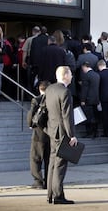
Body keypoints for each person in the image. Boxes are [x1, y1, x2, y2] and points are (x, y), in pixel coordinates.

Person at [45, 66, 78, 204]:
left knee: (52, 164)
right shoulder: (65, 92)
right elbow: (66, 116)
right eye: (70, 74)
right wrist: (72, 135)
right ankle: (58, 196)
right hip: (62, 132)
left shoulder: (49, 89)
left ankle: (50, 194)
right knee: (60, 164)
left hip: (52, 130)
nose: (71, 76)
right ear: (65, 76)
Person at [27, 81, 50, 189]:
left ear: (40, 89)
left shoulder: (36, 100)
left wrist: (30, 124)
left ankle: (38, 181)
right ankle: (49, 180)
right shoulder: (53, 100)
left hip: (38, 133)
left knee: (35, 158)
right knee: (49, 159)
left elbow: (31, 114)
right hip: (50, 133)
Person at [80, 61, 100, 138]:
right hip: (96, 99)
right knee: (95, 116)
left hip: (88, 99)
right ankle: (95, 132)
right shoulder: (97, 75)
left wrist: (82, 100)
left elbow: (84, 89)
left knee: (88, 116)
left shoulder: (86, 76)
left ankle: (89, 132)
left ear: (85, 67)